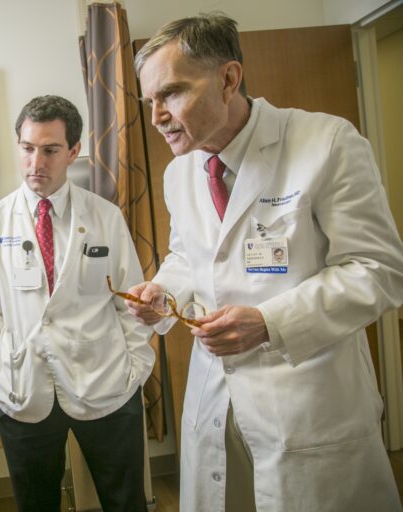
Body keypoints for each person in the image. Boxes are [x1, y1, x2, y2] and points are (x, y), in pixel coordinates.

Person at [130, 12, 403, 512]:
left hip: (306, 398)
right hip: (216, 398)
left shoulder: (326, 144)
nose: (156, 117)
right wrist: (165, 293)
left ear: (228, 79)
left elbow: (378, 270)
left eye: (170, 94)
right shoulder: (180, 173)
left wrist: (269, 323)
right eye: (149, 101)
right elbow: (189, 256)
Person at [0, 95, 155, 511]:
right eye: (27, 147)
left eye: (51, 150)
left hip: (106, 384)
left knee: (126, 502)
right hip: (24, 388)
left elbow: (132, 304)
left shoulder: (105, 217)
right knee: (36, 504)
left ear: (73, 151)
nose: (37, 162)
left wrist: (135, 371)